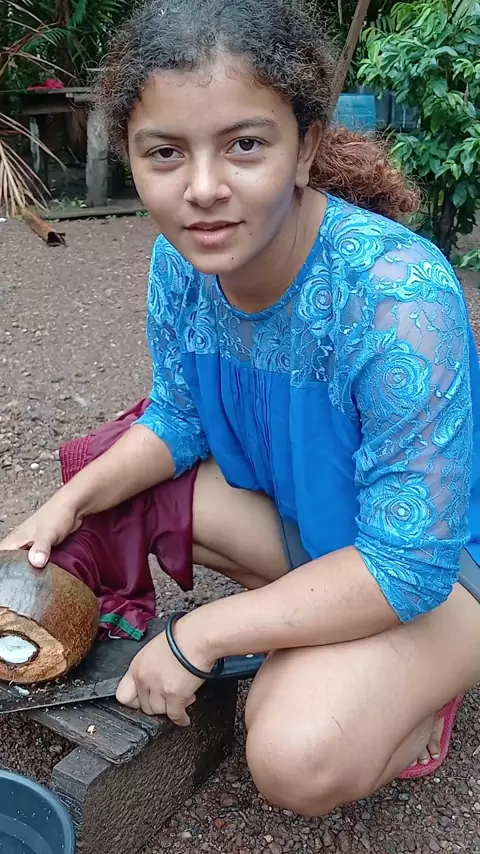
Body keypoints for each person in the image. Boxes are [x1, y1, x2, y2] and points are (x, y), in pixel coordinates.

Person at [2, 0, 480, 817]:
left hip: (444, 574)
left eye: (245, 145)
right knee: (120, 486)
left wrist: (202, 634)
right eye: (165, 152)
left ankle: (417, 700)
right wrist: (66, 505)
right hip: (323, 528)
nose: (203, 189)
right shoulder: (180, 264)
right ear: (130, 156)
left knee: (293, 752)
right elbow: (178, 420)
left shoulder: (396, 295)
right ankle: (343, 645)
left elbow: (409, 563)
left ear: (305, 149)